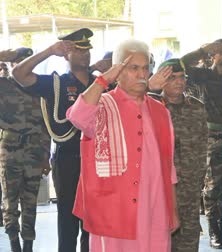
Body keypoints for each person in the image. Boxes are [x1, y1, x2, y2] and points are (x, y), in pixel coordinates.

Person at [66, 39, 180, 252]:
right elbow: (77, 117)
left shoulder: (160, 111)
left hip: (155, 210)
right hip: (112, 211)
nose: (142, 74)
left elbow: (169, 167)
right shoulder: (101, 105)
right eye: (133, 68)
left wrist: (172, 210)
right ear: (118, 71)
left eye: (145, 68)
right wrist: (102, 80)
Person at [12, 28, 95, 252]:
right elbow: (19, 74)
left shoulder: (100, 85)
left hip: (97, 161)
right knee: (67, 221)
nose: (84, 54)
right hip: (68, 160)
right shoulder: (56, 84)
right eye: (77, 50)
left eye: (87, 50)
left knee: (94, 223)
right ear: (66, 54)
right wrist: (49, 51)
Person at [149, 58, 208, 251]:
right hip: (161, 190)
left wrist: (200, 180)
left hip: (190, 190)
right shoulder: (151, 107)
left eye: (182, 77)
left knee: (189, 239)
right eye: (172, 78)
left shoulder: (196, 107)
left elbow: (202, 145)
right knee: (160, 240)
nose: (179, 82)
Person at [0, 48, 51, 252]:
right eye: (18, 61)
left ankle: (28, 244)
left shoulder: (39, 86)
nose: (20, 64)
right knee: (10, 200)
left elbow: (47, 124)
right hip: (10, 149)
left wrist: (46, 156)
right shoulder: (3, 85)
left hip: (35, 149)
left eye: (25, 61)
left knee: (30, 200)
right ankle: (14, 244)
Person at [181, 39, 222, 249]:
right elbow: (181, 64)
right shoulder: (206, 76)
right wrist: (203, 50)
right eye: (221, 54)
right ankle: (214, 229)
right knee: (212, 187)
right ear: (214, 57)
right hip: (210, 137)